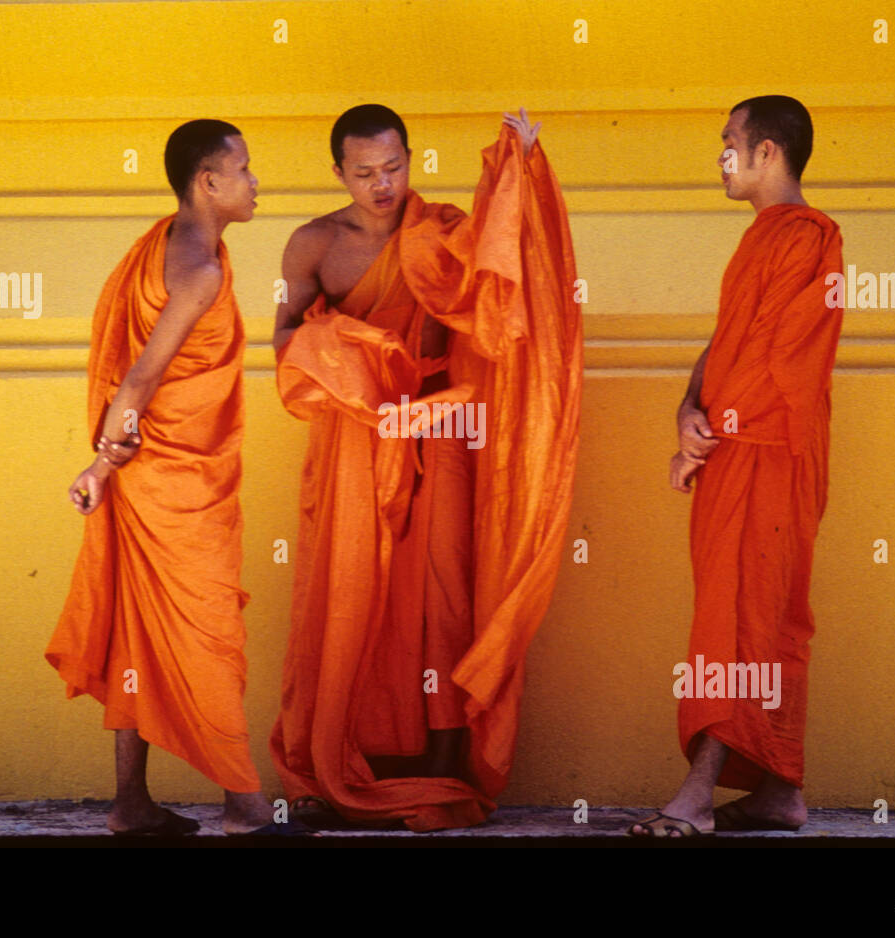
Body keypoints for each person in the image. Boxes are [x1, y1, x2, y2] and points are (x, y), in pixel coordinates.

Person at [270, 105, 583, 831]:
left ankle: (443, 768)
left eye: (394, 168)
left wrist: (521, 170)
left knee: (442, 596)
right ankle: (337, 759)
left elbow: (505, 267)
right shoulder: (313, 243)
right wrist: (351, 352)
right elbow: (285, 334)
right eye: (364, 173)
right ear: (338, 173)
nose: (382, 186)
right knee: (347, 591)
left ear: (410, 159)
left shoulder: (439, 232)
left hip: (440, 426)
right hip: (354, 438)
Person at [47, 119, 302, 836]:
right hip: (171, 484)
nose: (256, 182)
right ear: (208, 182)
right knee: (210, 631)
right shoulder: (201, 269)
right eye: (245, 169)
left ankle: (131, 804)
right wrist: (101, 463)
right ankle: (245, 806)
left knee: (138, 630)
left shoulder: (167, 241)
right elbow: (139, 380)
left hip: (157, 475)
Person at [631, 95, 844, 838]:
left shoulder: (813, 238)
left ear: (768, 153)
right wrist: (687, 410)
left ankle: (698, 792)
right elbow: (726, 346)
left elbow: (781, 364)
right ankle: (781, 788)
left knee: (744, 615)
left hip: (770, 455)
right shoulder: (760, 238)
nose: (719, 154)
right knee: (757, 612)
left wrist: (709, 432)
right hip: (734, 448)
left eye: (729, 142)